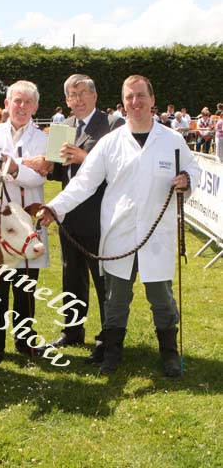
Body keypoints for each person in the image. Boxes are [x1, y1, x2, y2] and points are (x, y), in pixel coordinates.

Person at [37, 75, 199, 377]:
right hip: (119, 235)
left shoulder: (172, 140)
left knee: (162, 299)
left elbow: (193, 167)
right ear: (123, 103)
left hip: (156, 235)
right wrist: (54, 207)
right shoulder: (111, 142)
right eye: (129, 97)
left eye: (140, 96)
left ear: (152, 100)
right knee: (116, 300)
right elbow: (83, 183)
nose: (135, 102)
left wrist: (187, 180)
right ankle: (112, 353)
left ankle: (169, 354)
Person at [43, 74, 125, 354]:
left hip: (101, 216)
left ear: (94, 96)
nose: (77, 100)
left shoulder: (113, 125)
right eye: (71, 95)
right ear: (66, 100)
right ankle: (72, 331)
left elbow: (120, 169)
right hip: (68, 216)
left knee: (103, 279)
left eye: (82, 93)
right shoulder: (63, 127)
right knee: (71, 276)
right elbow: (55, 173)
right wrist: (39, 164)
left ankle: (108, 336)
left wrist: (84, 158)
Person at [0, 80, 50, 363]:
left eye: (27, 102)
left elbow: (39, 176)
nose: (21, 106)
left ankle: (25, 341)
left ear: (35, 107)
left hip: (28, 222)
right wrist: (24, 164)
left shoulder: (43, 138)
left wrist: (15, 166)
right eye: (16, 101)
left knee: (26, 286)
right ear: (6, 104)